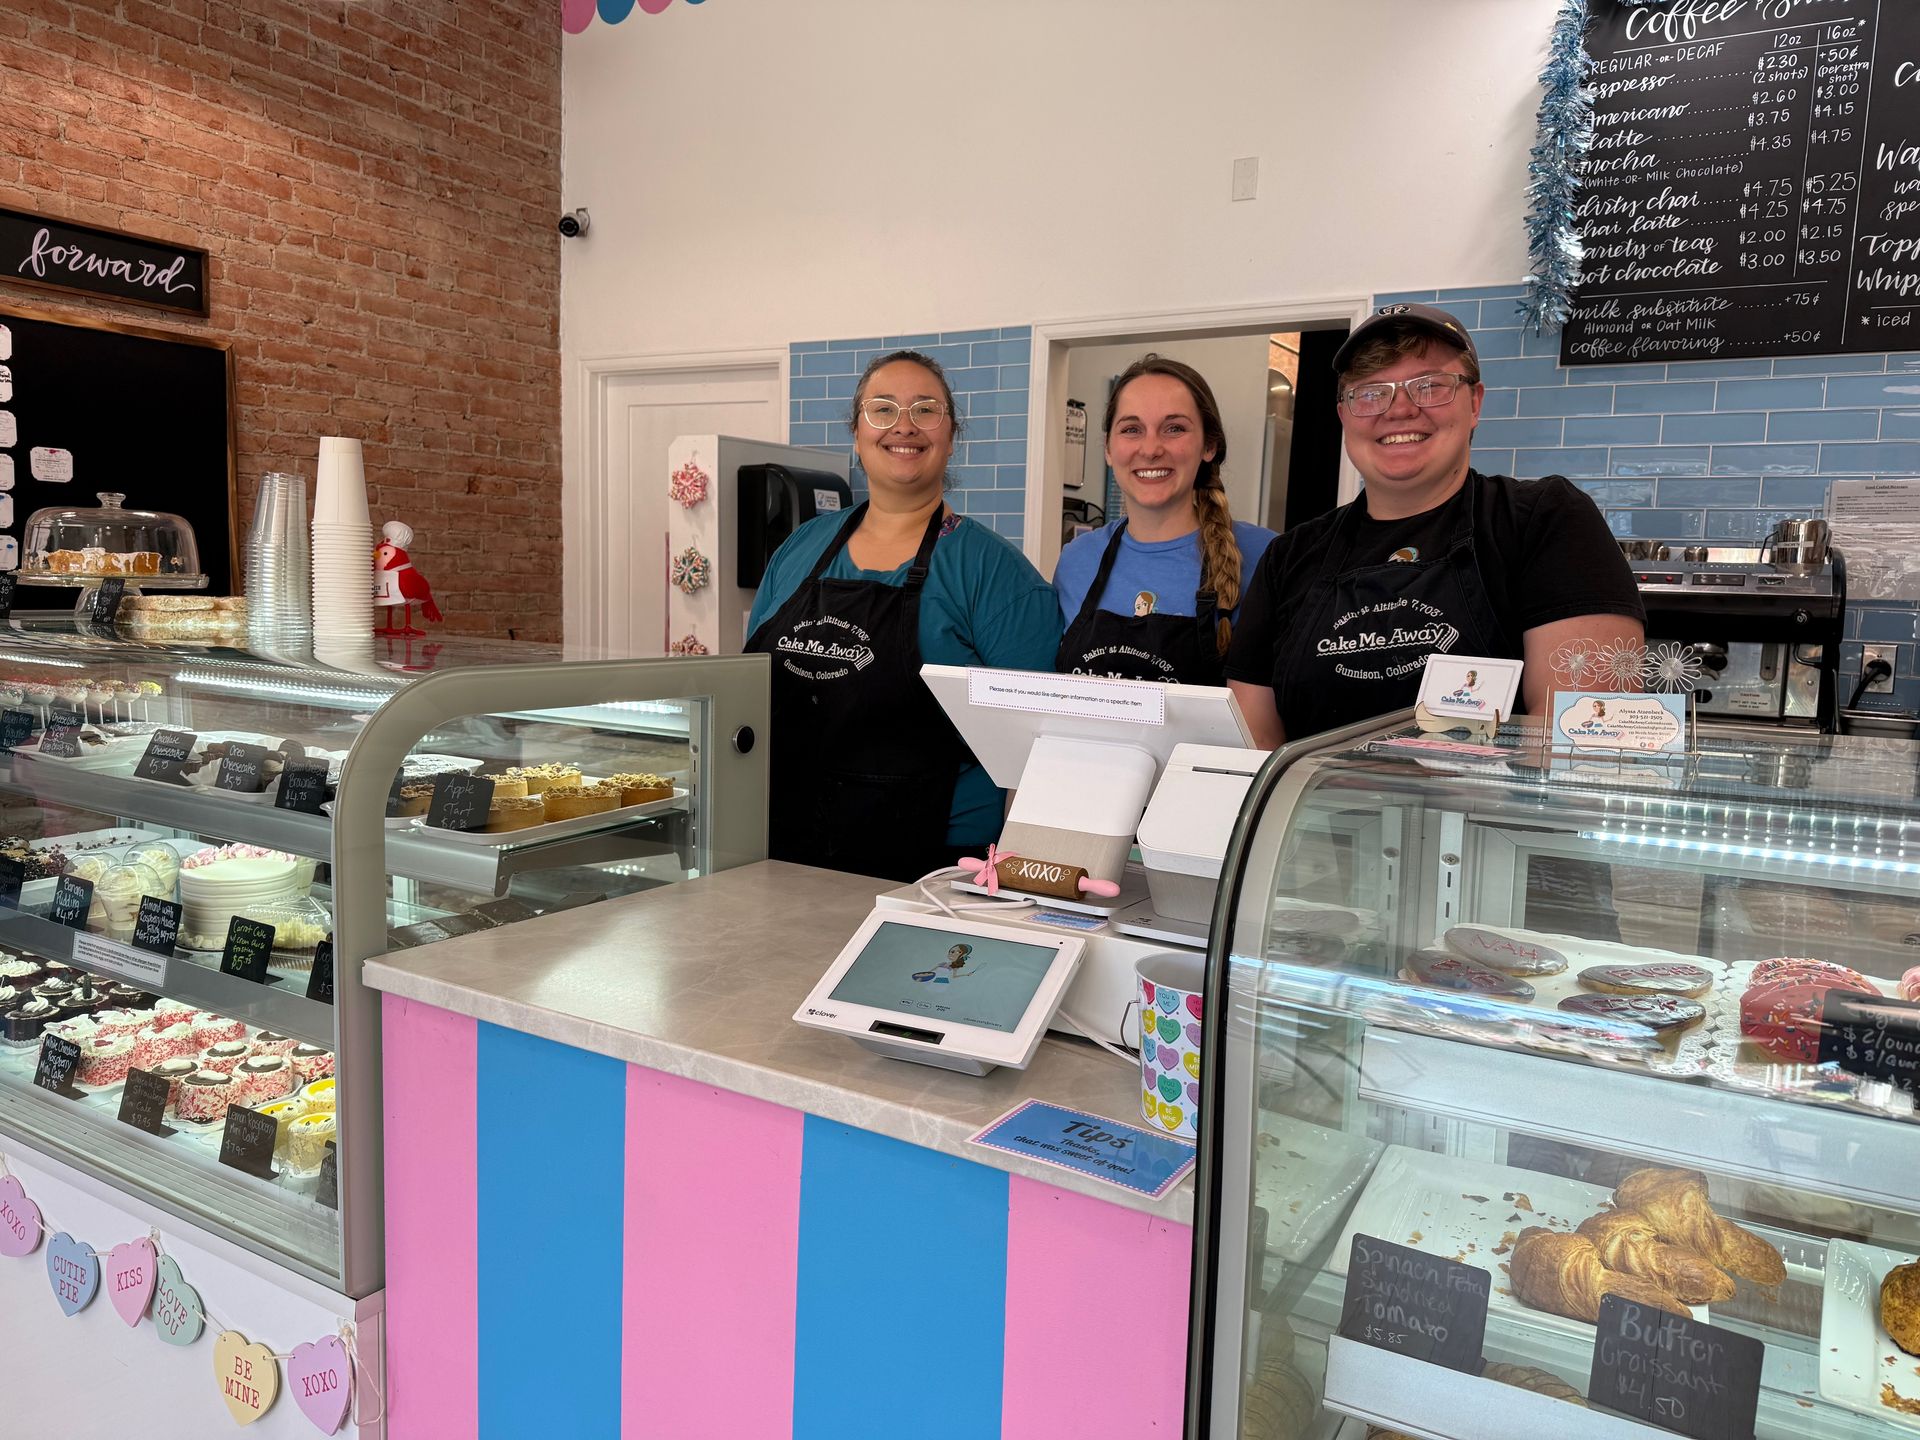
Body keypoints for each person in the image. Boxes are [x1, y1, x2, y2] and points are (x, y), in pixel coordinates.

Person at [1225, 304, 1644, 746]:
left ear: (1475, 403)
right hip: (1316, 817)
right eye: (1370, 392)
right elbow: (1257, 752)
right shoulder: (1290, 556)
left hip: (1494, 814)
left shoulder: (1545, 519)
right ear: (1344, 415)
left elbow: (1586, 741)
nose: (1400, 409)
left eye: (1429, 386)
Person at [745, 350, 1061, 881]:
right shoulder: (801, 549)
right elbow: (747, 695)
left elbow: (1039, 746)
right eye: (884, 409)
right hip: (783, 851)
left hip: (932, 867)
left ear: (952, 434)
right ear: (857, 432)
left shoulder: (993, 571)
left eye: (926, 409)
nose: (904, 426)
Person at [1053, 355, 1275, 685]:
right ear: (1109, 449)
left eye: (1174, 428)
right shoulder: (1077, 560)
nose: (1151, 448)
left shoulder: (1266, 555)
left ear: (1209, 445)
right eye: (1131, 429)